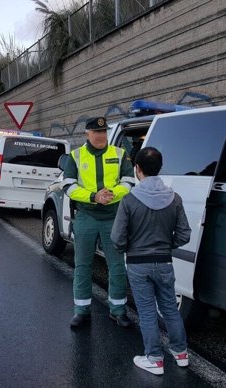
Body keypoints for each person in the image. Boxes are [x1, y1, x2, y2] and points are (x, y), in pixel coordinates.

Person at [110, 147, 191, 376]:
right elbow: (184, 234)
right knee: (169, 309)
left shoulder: (129, 200)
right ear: (160, 168)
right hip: (165, 262)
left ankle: (154, 358)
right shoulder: (174, 198)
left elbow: (117, 238)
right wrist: (166, 245)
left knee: (146, 311)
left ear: (137, 169)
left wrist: (128, 249)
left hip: (138, 264)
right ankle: (181, 353)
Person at [63, 116, 135, 328]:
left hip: (113, 217)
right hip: (86, 215)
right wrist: (94, 196)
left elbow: (129, 182)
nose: (101, 136)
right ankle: (81, 311)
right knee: (83, 265)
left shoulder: (120, 154)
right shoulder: (76, 156)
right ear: (88, 133)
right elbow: (68, 186)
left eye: (104, 132)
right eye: (97, 132)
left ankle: (118, 310)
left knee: (117, 266)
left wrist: (111, 193)